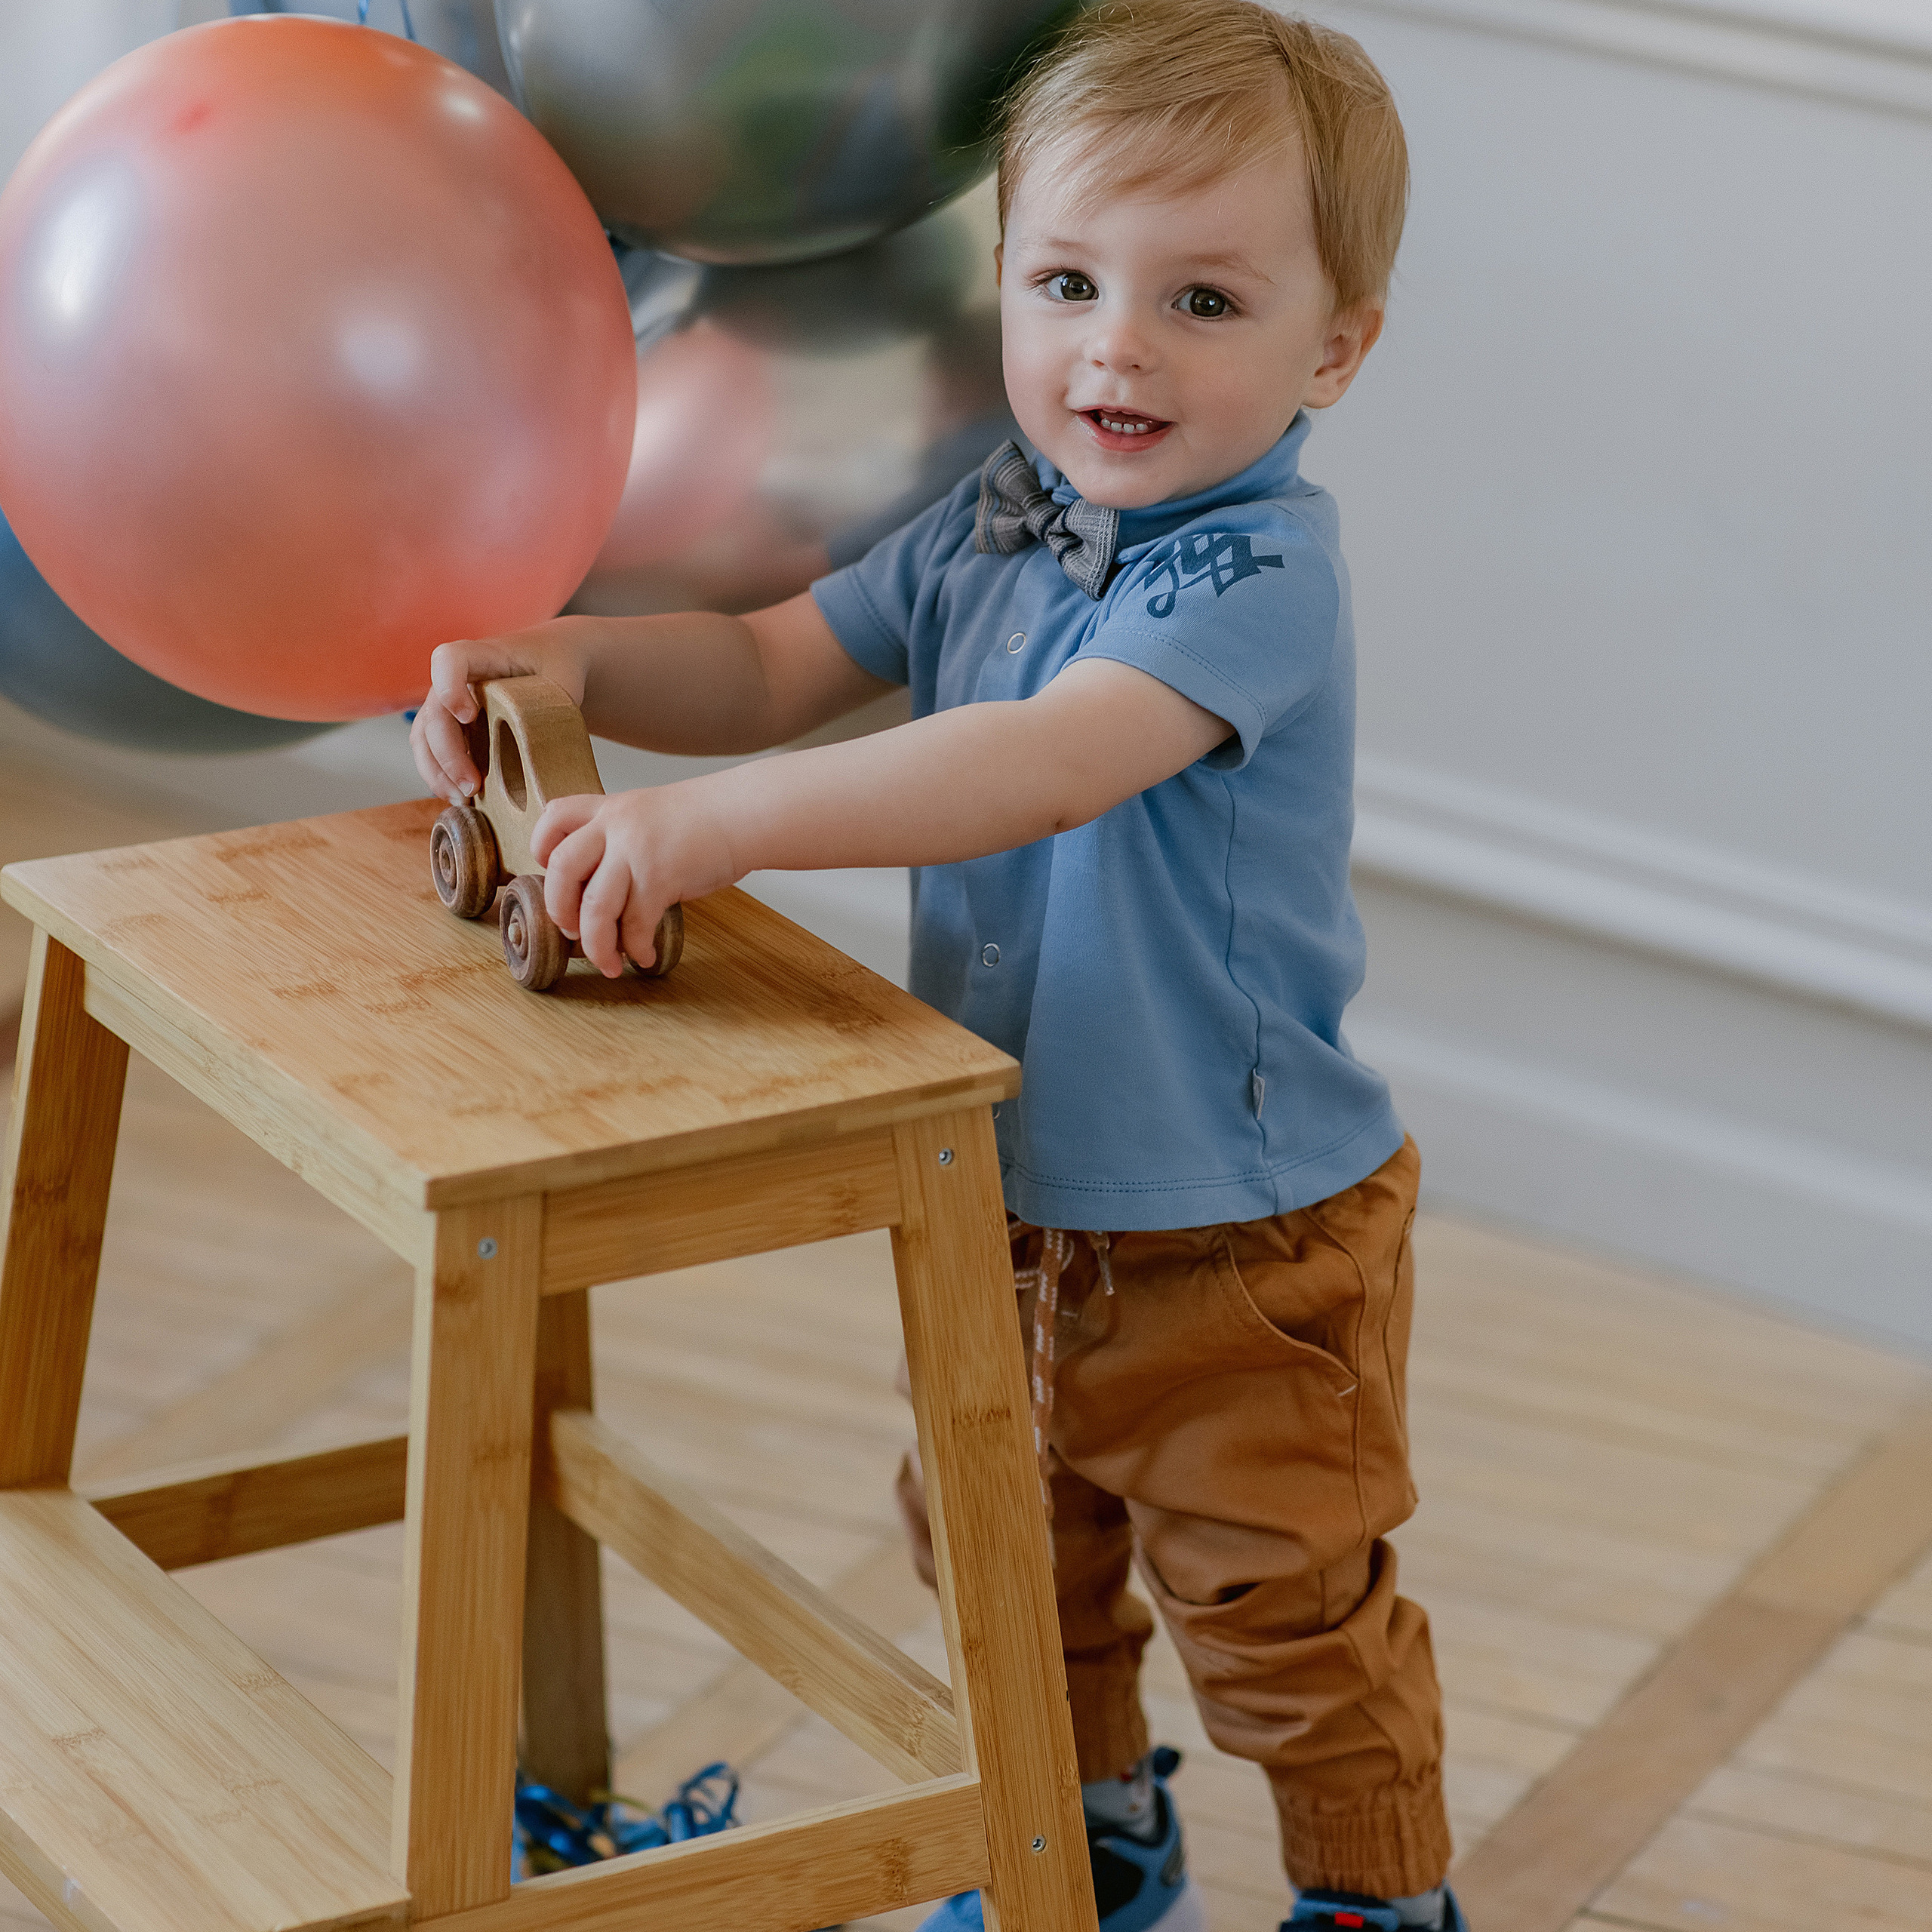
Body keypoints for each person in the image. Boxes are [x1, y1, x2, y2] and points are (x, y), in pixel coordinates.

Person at [411, 3, 1459, 1927]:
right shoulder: (992, 514)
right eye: (1065, 279)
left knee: (1277, 1602)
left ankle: (1377, 1896)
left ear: (1335, 347)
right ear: (1002, 281)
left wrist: (712, 835)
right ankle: (1087, 1849)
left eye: (1202, 302)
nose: (1115, 345)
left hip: (1234, 1231)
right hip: (995, 1192)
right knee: (1003, 1562)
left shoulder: (1251, 576)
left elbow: (1029, 761)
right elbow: (763, 663)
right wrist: (569, 657)